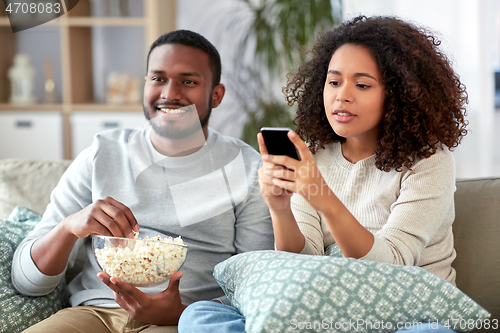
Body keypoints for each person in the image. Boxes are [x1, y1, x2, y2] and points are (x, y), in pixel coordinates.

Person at [178, 15, 468, 333]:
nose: (341, 95)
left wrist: (323, 197)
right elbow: (304, 258)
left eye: (362, 84)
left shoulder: (429, 160)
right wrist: (279, 208)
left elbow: (392, 264)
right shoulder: (314, 155)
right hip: (324, 312)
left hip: (404, 315)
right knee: (200, 315)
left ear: (400, 94)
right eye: (333, 81)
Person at [11, 30, 274, 332]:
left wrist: (180, 313)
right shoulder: (102, 153)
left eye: (188, 81)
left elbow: (257, 282)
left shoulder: (248, 167)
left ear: (216, 95)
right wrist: (69, 227)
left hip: (185, 321)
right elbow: (27, 282)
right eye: (158, 79)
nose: (169, 93)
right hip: (94, 314)